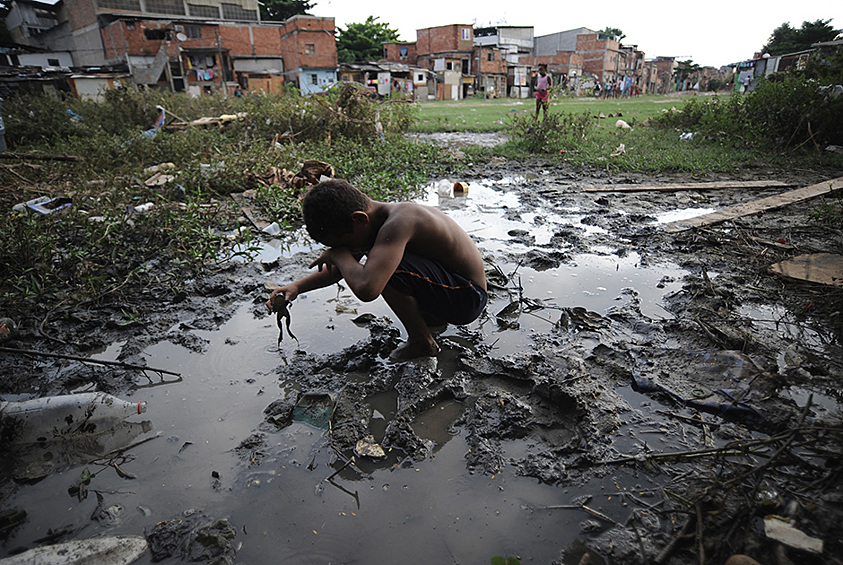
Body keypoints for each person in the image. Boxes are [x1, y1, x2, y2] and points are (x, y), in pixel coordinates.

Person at [266, 180, 488, 362]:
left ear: (359, 219)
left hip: (468, 298)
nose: (343, 251)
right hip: (452, 289)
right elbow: (344, 267)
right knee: (379, 264)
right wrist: (297, 287)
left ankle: (422, 342)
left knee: (384, 271)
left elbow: (367, 288)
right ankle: (431, 320)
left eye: (342, 244)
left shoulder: (400, 222)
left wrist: (338, 255)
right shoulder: (371, 222)